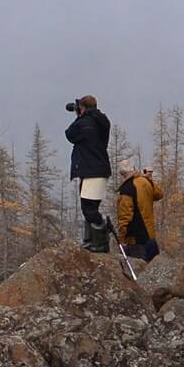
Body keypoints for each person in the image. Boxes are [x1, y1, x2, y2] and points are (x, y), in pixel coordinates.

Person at [65, 94, 112, 251]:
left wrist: (79, 117)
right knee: (90, 207)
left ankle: (100, 243)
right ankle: (91, 240)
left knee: (89, 210)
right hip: (98, 168)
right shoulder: (102, 121)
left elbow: (70, 135)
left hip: (92, 170)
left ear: (83, 108)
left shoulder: (84, 123)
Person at [115, 159, 163, 261]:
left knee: (140, 273)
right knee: (154, 271)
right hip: (150, 236)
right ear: (134, 168)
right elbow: (159, 194)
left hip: (136, 241)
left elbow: (124, 218)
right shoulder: (145, 181)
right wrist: (149, 179)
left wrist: (122, 239)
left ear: (121, 173)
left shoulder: (126, 189)